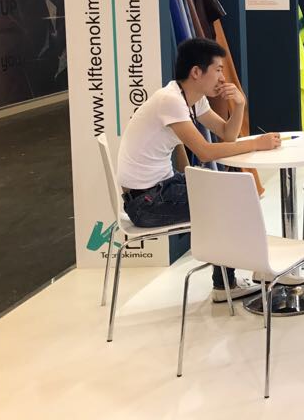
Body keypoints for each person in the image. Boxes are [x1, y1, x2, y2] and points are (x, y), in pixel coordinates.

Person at [116, 37, 282, 303]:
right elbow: (205, 151)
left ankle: (244, 273)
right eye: (218, 70)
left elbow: (227, 135)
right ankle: (229, 282)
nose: (222, 78)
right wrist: (256, 143)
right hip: (146, 202)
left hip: (160, 188)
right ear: (196, 72)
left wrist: (239, 104)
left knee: (230, 191)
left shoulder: (193, 99)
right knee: (230, 200)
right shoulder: (170, 100)